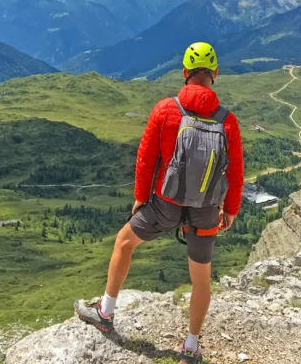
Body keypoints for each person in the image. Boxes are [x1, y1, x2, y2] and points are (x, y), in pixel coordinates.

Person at [75, 42, 244, 364]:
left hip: (165, 205)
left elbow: (146, 159)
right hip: (207, 210)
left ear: (184, 73)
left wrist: (141, 198)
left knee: (124, 243)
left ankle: (105, 313)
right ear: (215, 74)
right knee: (201, 280)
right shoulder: (228, 121)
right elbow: (235, 171)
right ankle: (191, 348)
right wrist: (231, 209)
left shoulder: (166, 109)